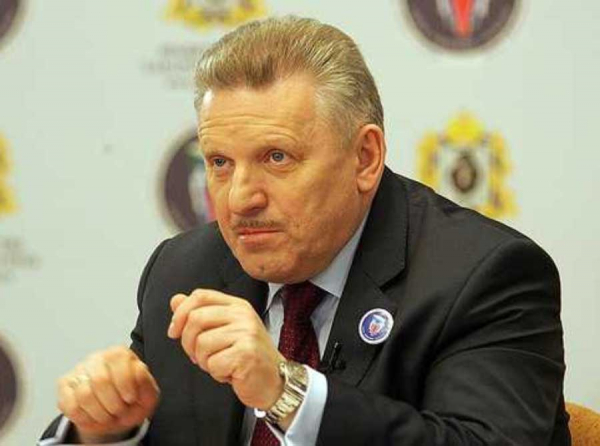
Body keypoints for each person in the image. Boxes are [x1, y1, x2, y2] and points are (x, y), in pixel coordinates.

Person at [39, 16, 570, 446]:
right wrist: (105, 431)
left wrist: (286, 392)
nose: (240, 198)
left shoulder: (483, 276)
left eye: (276, 157)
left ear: (365, 157)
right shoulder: (184, 269)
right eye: (219, 163)